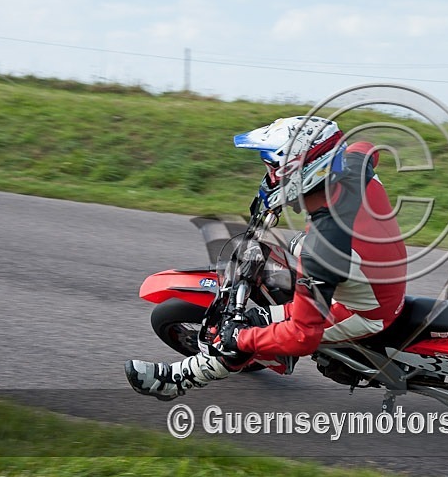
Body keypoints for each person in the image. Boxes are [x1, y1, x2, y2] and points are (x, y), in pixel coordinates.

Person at [125, 116, 407, 400]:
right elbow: (366, 147)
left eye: (273, 168)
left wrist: (242, 337)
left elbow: (302, 334)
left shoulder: (322, 250)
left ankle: (181, 380)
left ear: (303, 173)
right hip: (380, 270)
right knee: (296, 249)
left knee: (246, 332)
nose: (269, 176)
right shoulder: (353, 167)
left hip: (363, 313)